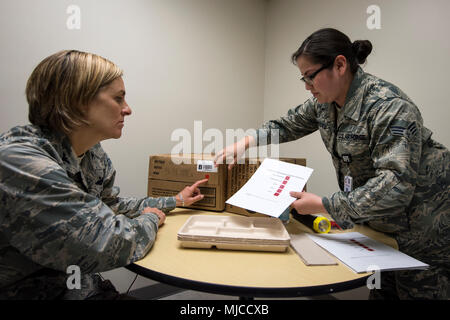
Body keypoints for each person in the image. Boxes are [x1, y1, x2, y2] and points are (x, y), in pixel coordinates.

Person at [215, 28, 449, 300]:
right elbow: (287, 125)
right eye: (302, 78)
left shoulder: (388, 106)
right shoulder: (325, 103)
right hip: (381, 229)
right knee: (382, 293)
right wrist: (245, 141)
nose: (307, 86)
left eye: (310, 76)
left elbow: (396, 185)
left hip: (423, 229)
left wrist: (324, 205)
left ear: (340, 64)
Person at [0, 50, 208, 299]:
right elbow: (107, 243)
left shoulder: (91, 154)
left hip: (78, 288)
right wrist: (151, 219)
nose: (127, 109)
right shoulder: (20, 161)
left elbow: (110, 206)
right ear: (76, 101)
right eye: (118, 99)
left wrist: (175, 201)